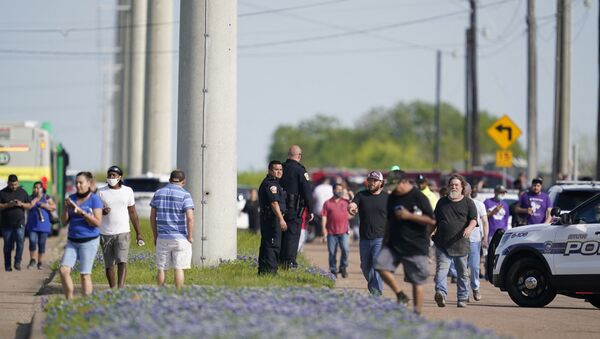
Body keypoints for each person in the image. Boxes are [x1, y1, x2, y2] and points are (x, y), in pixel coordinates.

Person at [375, 170, 435, 314]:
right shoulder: (392, 197)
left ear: (404, 182)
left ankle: (416, 313)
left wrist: (409, 216)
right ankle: (400, 294)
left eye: (395, 185)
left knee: (416, 280)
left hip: (415, 244)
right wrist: (384, 241)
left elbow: (431, 220)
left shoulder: (418, 197)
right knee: (380, 265)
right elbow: (389, 221)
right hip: (394, 243)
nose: (393, 189)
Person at [432, 174, 477, 308]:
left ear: (462, 187)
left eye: (457, 185)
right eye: (452, 185)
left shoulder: (468, 203)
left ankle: (462, 297)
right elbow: (435, 221)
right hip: (442, 244)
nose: (454, 187)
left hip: (461, 244)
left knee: (462, 273)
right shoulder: (442, 202)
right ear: (448, 187)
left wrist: (469, 228)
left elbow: (474, 219)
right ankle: (441, 293)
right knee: (441, 270)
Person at [97, 165, 144, 288]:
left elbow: (132, 212)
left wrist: (138, 233)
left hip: (123, 232)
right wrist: (102, 212)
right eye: (109, 175)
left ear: (120, 177)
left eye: (114, 175)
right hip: (105, 233)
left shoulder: (128, 191)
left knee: (122, 261)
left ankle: (120, 288)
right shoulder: (101, 191)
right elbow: (95, 211)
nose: (111, 177)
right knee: (109, 264)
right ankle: (112, 289)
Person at [59, 171, 103, 299]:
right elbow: (64, 221)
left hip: (89, 241)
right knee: (63, 270)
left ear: (88, 184)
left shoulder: (95, 199)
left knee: (84, 274)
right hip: (72, 241)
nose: (78, 185)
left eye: (81, 183)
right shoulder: (71, 198)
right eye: (76, 183)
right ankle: (69, 300)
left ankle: (86, 303)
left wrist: (82, 213)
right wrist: (66, 208)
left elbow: (97, 222)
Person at [150, 170, 194, 289]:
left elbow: (152, 217)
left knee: (161, 268)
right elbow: (190, 218)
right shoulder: (185, 195)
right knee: (179, 268)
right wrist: (190, 236)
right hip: (180, 237)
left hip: (163, 237)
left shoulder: (158, 193)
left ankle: (160, 292)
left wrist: (155, 236)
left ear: (169, 180)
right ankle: (178, 292)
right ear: (183, 182)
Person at [348, 170, 388, 295]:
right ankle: (374, 287)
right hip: (364, 238)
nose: (371, 182)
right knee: (365, 267)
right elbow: (353, 204)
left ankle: (377, 291)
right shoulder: (361, 195)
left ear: (381, 183)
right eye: (370, 180)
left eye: (375, 180)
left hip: (380, 238)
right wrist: (352, 208)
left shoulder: (387, 198)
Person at [279, 145, 313, 269]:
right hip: (294, 210)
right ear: (299, 156)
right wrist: (311, 210)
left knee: (280, 236)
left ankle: (279, 260)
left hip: (279, 210)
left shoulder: (280, 168)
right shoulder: (300, 171)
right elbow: (307, 192)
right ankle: (289, 263)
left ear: (288, 155)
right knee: (292, 236)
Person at [0, 174, 39, 271]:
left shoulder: (22, 192)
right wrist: (8, 205)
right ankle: (8, 265)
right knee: (7, 245)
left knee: (20, 242)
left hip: (20, 223)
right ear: (8, 183)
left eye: (15, 184)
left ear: (18, 183)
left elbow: (29, 205)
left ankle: (17, 262)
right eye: (12, 184)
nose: (14, 186)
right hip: (6, 224)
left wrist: (21, 204)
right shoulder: (2, 193)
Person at [257, 160, 287, 275]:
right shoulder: (271, 185)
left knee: (268, 245)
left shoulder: (275, 183)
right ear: (270, 171)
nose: (279, 172)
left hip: (270, 219)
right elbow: (274, 203)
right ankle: (270, 271)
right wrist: (281, 219)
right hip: (272, 220)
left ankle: (265, 271)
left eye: (280, 170)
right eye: (276, 169)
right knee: (272, 246)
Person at [464, 183, 488, 302]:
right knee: (462, 268)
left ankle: (475, 287)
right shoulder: (457, 204)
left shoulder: (479, 204)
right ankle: (464, 292)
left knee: (474, 267)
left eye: (465, 188)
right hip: (460, 241)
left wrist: (485, 238)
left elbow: (485, 222)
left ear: (470, 190)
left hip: (475, 240)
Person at [321, 183, 351, 278]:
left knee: (345, 250)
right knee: (332, 252)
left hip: (344, 231)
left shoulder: (346, 202)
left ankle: (343, 267)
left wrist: (351, 195)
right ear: (333, 190)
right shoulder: (327, 203)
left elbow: (354, 209)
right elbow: (324, 216)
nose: (340, 191)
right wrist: (323, 229)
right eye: (338, 189)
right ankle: (333, 270)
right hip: (331, 232)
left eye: (341, 189)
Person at [25, 181, 56, 270]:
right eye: (35, 187)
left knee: (41, 244)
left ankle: (40, 262)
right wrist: (37, 198)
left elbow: (54, 207)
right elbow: (30, 206)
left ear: (42, 189)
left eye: (39, 187)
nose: (37, 189)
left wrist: (45, 205)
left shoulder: (46, 197)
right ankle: (32, 260)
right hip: (32, 225)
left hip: (44, 225)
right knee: (32, 241)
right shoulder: (30, 197)